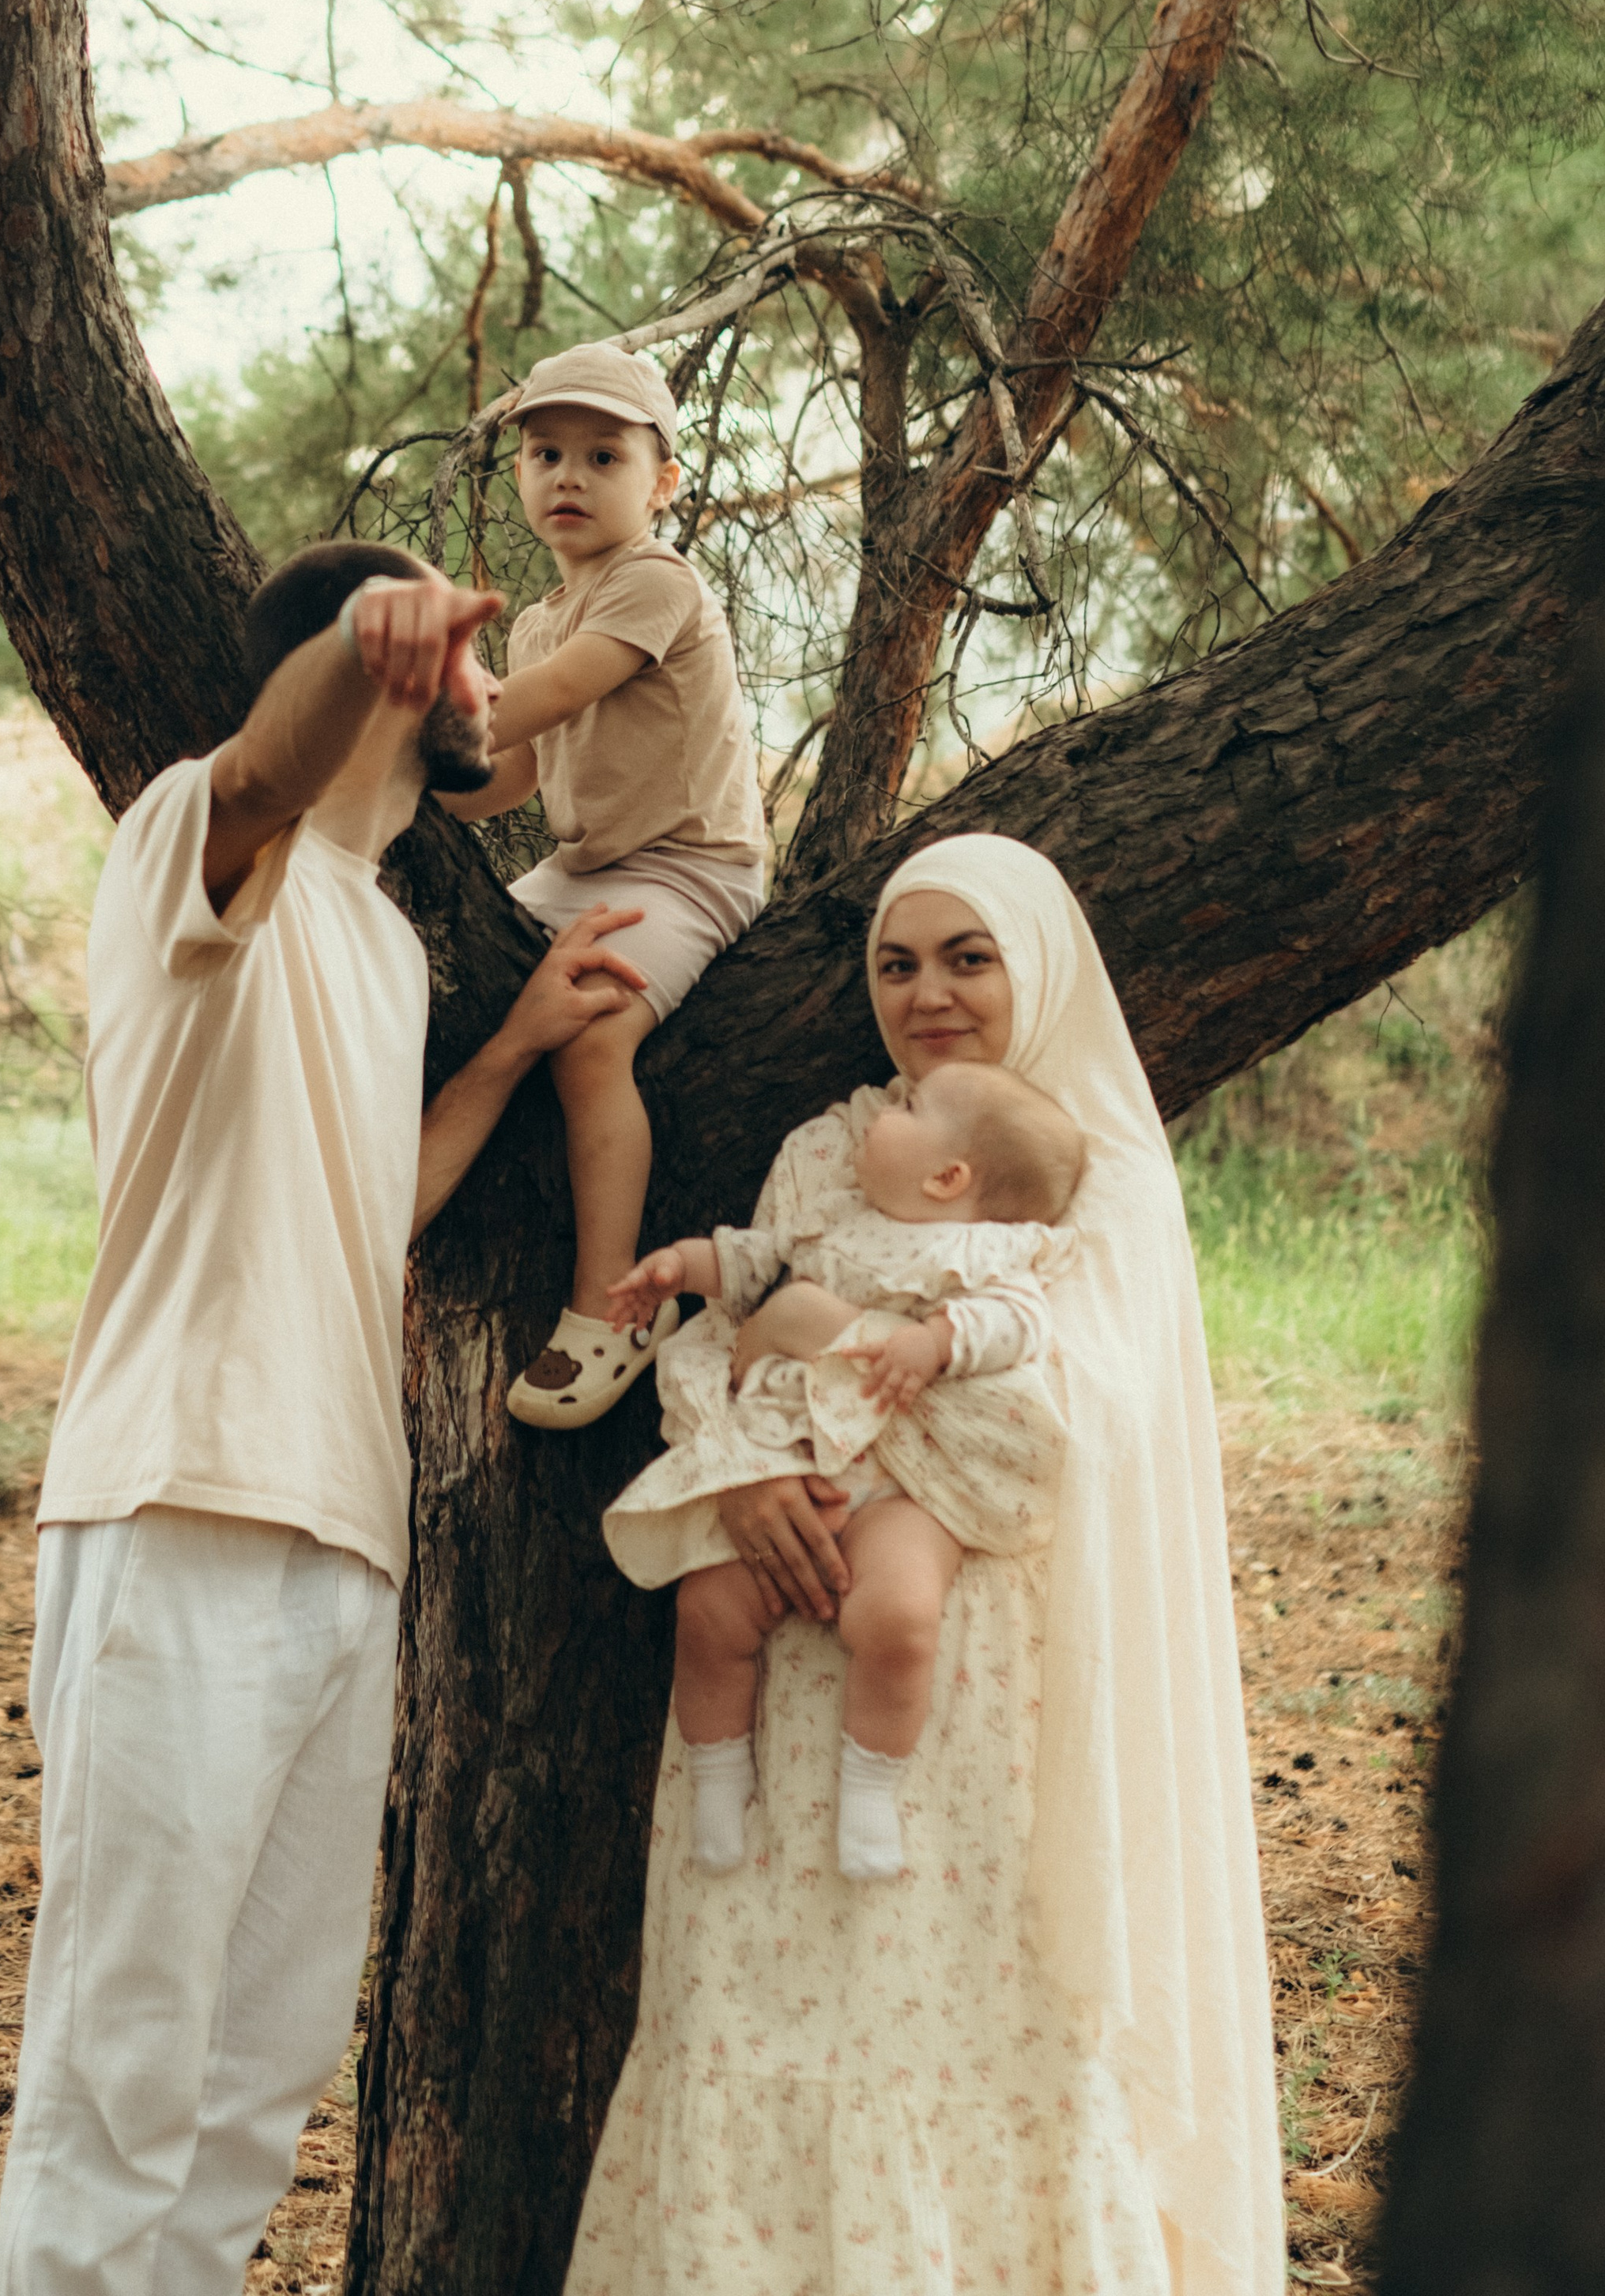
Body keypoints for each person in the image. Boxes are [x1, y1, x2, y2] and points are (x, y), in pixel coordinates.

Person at [0, 540, 648, 2296]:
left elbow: (371, 1223)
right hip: (176, 1506)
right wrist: (361, 649)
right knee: (121, 2068)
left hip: (346, 1550)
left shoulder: (378, 941)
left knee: (253, 2089)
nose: (494, 686)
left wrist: (505, 1053)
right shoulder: (188, 844)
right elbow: (268, 772)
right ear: (384, 671)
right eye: (461, 646)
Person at [564, 837, 1284, 2296]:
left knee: (959, 2027)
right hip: (771, 1671)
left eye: (969, 957)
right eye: (899, 962)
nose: (928, 993)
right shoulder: (829, 1150)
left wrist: (822, 1337)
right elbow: (720, 1332)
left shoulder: (1095, 1189)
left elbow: (1044, 1429)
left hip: (967, 1673)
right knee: (756, 2008)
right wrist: (752, 1466)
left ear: (1038, 969)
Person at [601, 1060, 1083, 1879]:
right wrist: (680, 1268)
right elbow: (750, 1263)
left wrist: (936, 1341)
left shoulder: (988, 1252)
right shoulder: (832, 1218)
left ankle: (869, 1784)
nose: (880, 1112)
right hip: (792, 1455)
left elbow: (1018, 1322)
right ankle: (720, 1774)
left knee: (897, 1618)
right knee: (709, 1610)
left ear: (947, 1176)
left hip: (904, 1488)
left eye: (909, 1108)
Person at [439, 341, 767, 1430]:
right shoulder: (536, 623)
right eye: (544, 453)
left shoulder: (654, 583)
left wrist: (414, 725)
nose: (568, 476)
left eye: (602, 455)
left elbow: (554, 697)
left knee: (592, 1033)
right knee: (437, 975)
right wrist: (415, 790)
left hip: (689, 865)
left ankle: (610, 1303)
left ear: (661, 483)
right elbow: (508, 776)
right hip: (585, 867)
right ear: (520, 475)